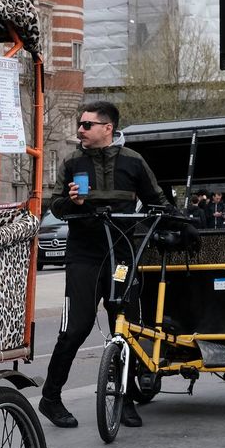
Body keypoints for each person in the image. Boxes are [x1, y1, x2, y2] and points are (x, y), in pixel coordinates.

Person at [39, 100, 167, 429]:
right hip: (84, 256)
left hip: (123, 254)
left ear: (107, 128)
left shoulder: (133, 161)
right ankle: (50, 398)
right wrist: (72, 202)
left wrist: (181, 225)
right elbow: (55, 206)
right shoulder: (71, 161)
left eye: (86, 125)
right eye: (80, 124)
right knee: (74, 329)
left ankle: (123, 400)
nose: (80, 130)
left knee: (124, 328)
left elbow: (158, 200)